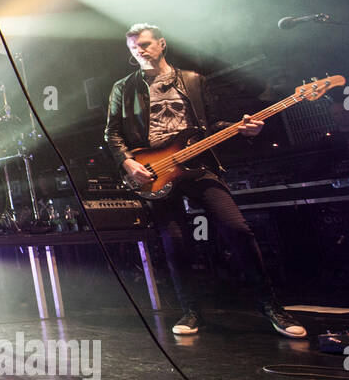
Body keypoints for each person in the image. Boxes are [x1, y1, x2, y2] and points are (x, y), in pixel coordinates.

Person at [105, 23, 306, 339]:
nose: (139, 51)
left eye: (144, 44)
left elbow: (211, 124)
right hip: (155, 170)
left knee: (238, 229)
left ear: (161, 43)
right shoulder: (124, 88)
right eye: (133, 47)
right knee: (176, 243)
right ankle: (191, 310)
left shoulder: (193, 81)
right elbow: (112, 133)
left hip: (199, 165)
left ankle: (270, 306)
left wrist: (244, 129)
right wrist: (128, 162)